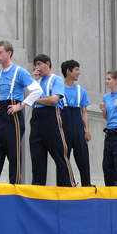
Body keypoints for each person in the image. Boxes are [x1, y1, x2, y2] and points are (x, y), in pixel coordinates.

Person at [0, 40, 42, 184]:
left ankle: (14, 187)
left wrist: (21, 105)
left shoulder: (19, 71)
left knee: (14, 154)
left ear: (9, 53)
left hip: (13, 114)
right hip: (0, 114)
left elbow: (37, 90)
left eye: (0, 53)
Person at [30, 54, 75, 187]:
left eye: (39, 64)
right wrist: (32, 80)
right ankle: (38, 188)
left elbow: (53, 99)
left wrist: (35, 98)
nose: (37, 67)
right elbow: (26, 97)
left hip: (51, 116)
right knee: (37, 156)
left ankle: (68, 186)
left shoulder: (56, 79)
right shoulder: (36, 82)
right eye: (35, 65)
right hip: (36, 116)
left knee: (60, 153)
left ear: (47, 64)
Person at [61, 60, 92, 187]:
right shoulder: (59, 88)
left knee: (83, 156)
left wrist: (87, 130)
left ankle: (87, 185)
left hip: (78, 124)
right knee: (63, 157)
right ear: (68, 71)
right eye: (76, 70)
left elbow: (84, 112)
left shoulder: (81, 90)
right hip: (64, 123)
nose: (79, 73)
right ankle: (65, 185)